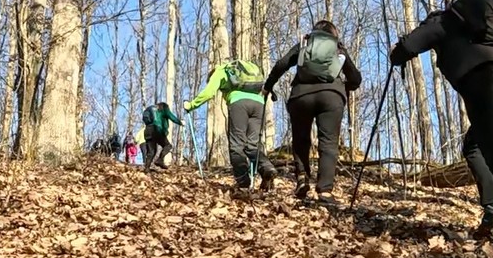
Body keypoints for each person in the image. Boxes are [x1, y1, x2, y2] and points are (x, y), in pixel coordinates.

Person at [389, 0, 493, 245]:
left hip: (482, 75)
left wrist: (396, 53)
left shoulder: (442, 21)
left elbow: (409, 46)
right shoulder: (475, 25)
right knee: (475, 144)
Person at [263, 21, 363, 202]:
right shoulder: (338, 48)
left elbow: (281, 64)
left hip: (301, 96)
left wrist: (268, 86)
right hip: (332, 97)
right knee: (328, 142)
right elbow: (355, 78)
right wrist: (343, 86)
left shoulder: (305, 43)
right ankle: (325, 190)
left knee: (301, 139)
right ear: (333, 34)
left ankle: (302, 177)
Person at [183, 59, 276, 190]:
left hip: (239, 104)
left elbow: (209, 92)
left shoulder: (220, 71)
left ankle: (243, 181)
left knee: (237, 145)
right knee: (252, 145)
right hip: (258, 103)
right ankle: (267, 167)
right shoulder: (240, 69)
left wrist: (191, 105)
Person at [140, 103, 181, 171]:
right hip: (157, 130)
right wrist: (180, 122)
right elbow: (172, 117)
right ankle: (160, 160)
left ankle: (146, 168)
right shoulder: (164, 109)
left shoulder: (153, 110)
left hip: (147, 130)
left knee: (151, 151)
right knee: (168, 146)